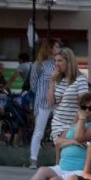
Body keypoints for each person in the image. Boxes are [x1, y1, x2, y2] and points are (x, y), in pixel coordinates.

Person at [3, 94, 91, 180]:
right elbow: (58, 142)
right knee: (43, 170)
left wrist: (82, 118)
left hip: (79, 169)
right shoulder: (76, 124)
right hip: (63, 166)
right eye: (84, 108)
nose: (87, 111)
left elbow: (79, 136)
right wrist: (72, 141)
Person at [28, 38, 61, 169]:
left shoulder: (58, 64)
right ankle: (33, 160)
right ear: (50, 48)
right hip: (42, 101)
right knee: (39, 131)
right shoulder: (39, 64)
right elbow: (33, 84)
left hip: (57, 101)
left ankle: (59, 161)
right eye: (56, 47)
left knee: (59, 131)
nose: (59, 49)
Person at [48, 48, 90, 146]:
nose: (56, 64)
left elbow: (83, 106)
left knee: (67, 152)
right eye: (55, 61)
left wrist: (72, 127)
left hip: (73, 124)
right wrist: (51, 81)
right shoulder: (58, 80)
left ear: (68, 61)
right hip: (57, 123)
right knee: (60, 155)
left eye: (60, 60)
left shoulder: (80, 80)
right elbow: (50, 103)